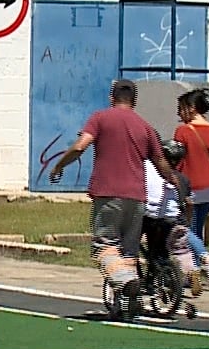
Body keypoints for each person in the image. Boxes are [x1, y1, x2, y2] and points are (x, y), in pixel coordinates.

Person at [47, 79, 178, 316]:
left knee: (104, 247)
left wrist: (58, 167)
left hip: (108, 194)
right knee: (128, 253)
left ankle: (125, 281)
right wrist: (174, 181)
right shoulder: (145, 127)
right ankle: (127, 306)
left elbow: (80, 146)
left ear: (111, 98)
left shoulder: (100, 118)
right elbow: (161, 163)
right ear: (135, 101)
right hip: (137, 198)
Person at [173, 89, 209, 287]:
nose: (179, 114)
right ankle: (196, 272)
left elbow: (177, 161)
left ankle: (205, 257)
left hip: (191, 187)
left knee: (182, 229)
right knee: (196, 229)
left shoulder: (183, 132)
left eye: (181, 109)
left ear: (191, 109)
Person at [143, 138, 201, 306]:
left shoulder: (153, 172)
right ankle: (190, 272)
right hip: (175, 220)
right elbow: (189, 203)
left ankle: (153, 281)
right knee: (181, 251)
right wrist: (187, 223)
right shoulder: (183, 179)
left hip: (152, 216)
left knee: (153, 251)